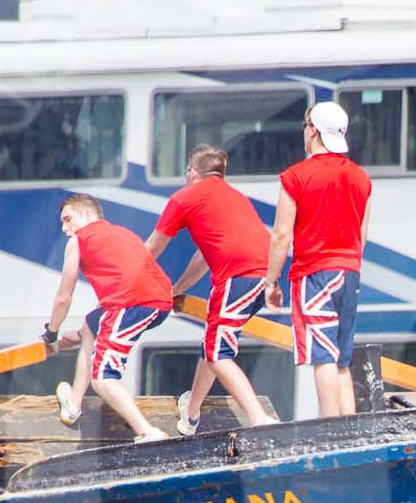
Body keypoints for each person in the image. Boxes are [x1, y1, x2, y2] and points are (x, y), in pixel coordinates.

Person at [146, 145, 279, 434]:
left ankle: (258, 418)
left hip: (237, 275)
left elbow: (152, 248)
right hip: (264, 277)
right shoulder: (235, 197)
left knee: (219, 352)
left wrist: (131, 280)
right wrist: (178, 287)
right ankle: (191, 414)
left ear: (192, 173)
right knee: (213, 343)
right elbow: (205, 255)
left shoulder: (185, 197)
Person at [264, 101, 371, 419]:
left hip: (315, 275)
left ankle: (329, 428)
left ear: (313, 130)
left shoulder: (295, 177)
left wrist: (272, 281)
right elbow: (360, 238)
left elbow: (282, 235)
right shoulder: (361, 178)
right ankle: (349, 428)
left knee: (322, 355)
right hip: (350, 272)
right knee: (341, 358)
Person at [43, 192, 173, 442]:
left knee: (102, 378)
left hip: (131, 304)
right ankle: (73, 403)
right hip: (160, 303)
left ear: (89, 214)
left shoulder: (79, 240)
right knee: (92, 323)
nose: (64, 228)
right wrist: (79, 336)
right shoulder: (123, 233)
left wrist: (51, 332)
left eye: (68, 219)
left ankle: (148, 432)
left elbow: (63, 297)